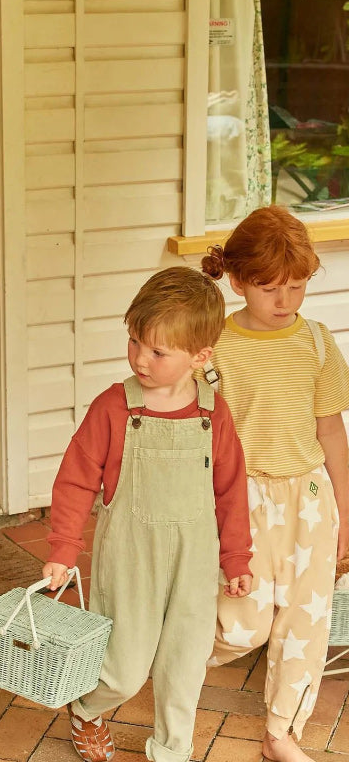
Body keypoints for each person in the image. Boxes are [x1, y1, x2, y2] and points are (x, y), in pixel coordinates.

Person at [43, 266, 253, 762]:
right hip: (130, 558)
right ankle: (88, 707)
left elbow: (230, 490)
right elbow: (74, 480)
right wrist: (62, 549)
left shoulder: (212, 412)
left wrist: (237, 558)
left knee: (186, 662)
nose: (140, 358)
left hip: (196, 562)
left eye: (157, 351)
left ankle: (173, 748)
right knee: (124, 666)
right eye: (134, 341)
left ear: (200, 357)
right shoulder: (114, 408)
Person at [201, 205, 349, 762]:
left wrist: (345, 512)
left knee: (306, 624)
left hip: (310, 497)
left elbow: (331, 430)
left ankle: (281, 731)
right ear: (237, 280)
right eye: (269, 289)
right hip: (243, 498)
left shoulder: (316, 342)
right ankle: (171, 656)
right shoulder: (214, 344)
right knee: (244, 625)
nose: (284, 301)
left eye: (296, 286)